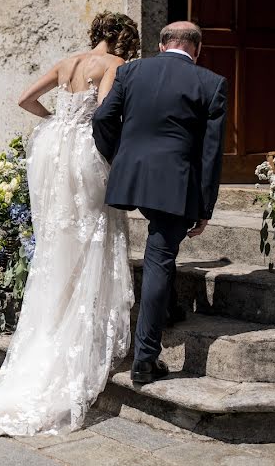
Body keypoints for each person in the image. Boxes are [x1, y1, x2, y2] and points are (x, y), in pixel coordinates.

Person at [0, 11, 139, 441]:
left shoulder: (68, 61)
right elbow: (104, 115)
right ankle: (83, 309)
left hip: (50, 150)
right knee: (93, 229)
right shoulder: (115, 66)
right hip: (85, 149)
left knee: (59, 234)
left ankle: (59, 306)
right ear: (124, 40)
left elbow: (25, 99)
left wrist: (55, 121)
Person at [91, 21, 227, 384]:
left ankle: (168, 309)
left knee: (158, 251)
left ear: (162, 45)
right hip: (174, 185)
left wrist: (119, 157)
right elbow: (211, 154)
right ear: (196, 50)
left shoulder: (131, 70)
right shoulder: (211, 83)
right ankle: (145, 358)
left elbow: (102, 117)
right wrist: (204, 207)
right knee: (159, 257)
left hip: (132, 175)